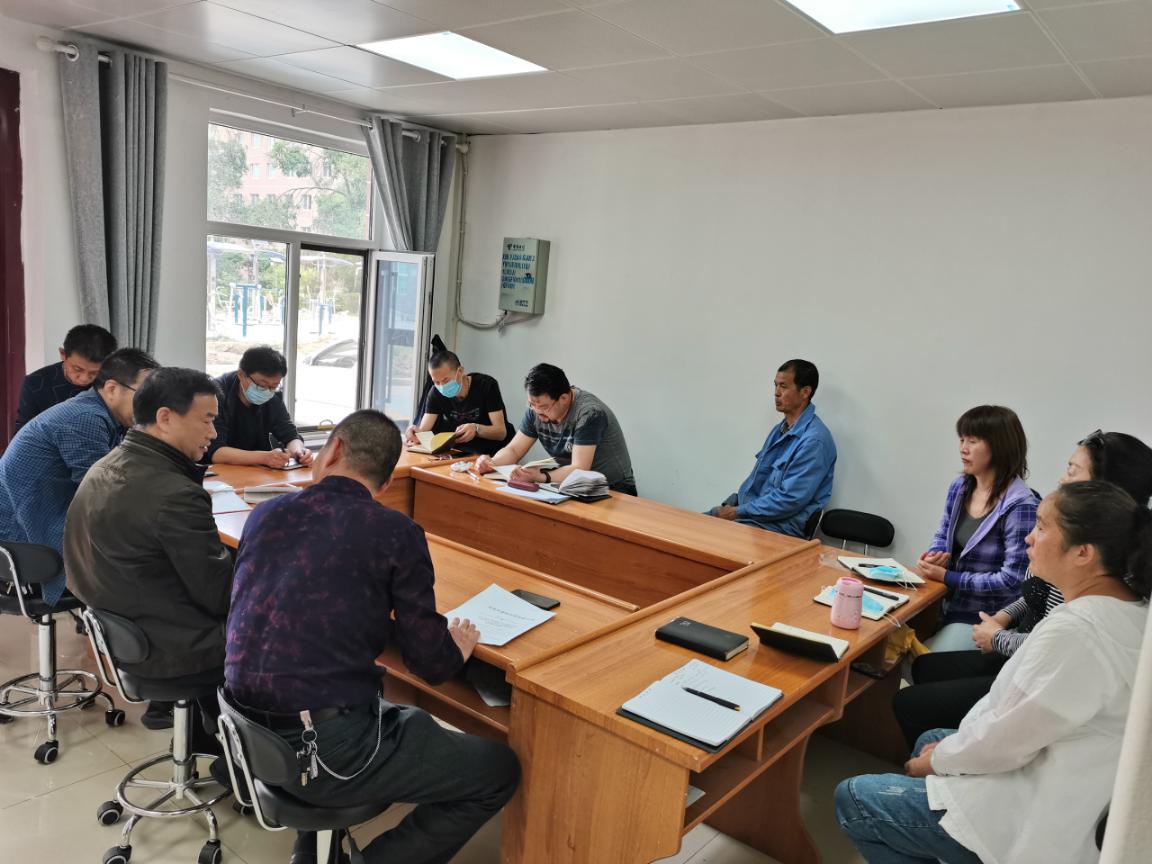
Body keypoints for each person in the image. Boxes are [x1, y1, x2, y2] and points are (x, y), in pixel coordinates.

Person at [225, 409, 520, 864]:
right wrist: (454, 649)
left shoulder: (266, 513)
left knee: (387, 708)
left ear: (333, 450)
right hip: (321, 745)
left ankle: (315, 845)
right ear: (384, 485)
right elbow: (430, 665)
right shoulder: (395, 532)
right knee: (498, 770)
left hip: (243, 725)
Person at [837, 481, 1150, 864]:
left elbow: (1008, 740)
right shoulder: (1133, 609)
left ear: (1083, 553)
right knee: (932, 739)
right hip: (1066, 768)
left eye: (1041, 527)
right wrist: (946, 752)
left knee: (854, 798)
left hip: (1038, 807)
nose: (1029, 538)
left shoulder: (1076, 631)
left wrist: (939, 760)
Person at [893, 429, 1152, 748]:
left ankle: (933, 756)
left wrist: (996, 635)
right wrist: (1002, 618)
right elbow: (1034, 591)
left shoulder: (1088, 558)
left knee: (915, 702)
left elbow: (1050, 639)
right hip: (1016, 643)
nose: (1061, 480)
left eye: (1072, 471)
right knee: (924, 667)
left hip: (1028, 660)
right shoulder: (963, 488)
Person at [65, 368, 233, 741]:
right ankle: (250, 757)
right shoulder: (175, 493)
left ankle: (205, 737)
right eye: (206, 420)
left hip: (122, 632)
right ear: (165, 417)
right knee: (279, 625)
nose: (213, 433)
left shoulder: (105, 465)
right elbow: (220, 595)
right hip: (167, 646)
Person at [0, 349, 158, 607]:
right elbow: (105, 495)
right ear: (112, 388)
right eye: (145, 396)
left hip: (35, 529)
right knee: (158, 561)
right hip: (28, 543)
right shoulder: (86, 418)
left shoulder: (101, 415)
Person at [915, 405, 1039, 652]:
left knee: (922, 658)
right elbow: (943, 533)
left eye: (972, 441)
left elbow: (1012, 580)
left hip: (988, 615)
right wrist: (934, 556)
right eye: (961, 439)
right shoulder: (960, 487)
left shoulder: (1022, 505)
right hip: (946, 600)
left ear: (999, 446)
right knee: (895, 640)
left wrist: (949, 577)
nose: (963, 448)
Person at [707, 359, 836, 537]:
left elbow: (789, 500)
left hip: (779, 528)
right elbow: (756, 482)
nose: (776, 393)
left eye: (783, 386)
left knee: (707, 537)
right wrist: (732, 504)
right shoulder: (780, 430)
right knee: (690, 524)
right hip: (752, 517)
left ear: (805, 392)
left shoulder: (814, 441)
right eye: (775, 385)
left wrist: (737, 512)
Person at [474, 363, 637, 495]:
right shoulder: (536, 410)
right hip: (568, 484)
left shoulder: (589, 413)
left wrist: (541, 476)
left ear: (564, 398)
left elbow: (580, 468)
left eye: (543, 407)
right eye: (531, 404)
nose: (537, 412)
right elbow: (514, 450)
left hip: (612, 488)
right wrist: (492, 463)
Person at [206, 345, 313, 468]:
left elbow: (290, 435)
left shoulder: (272, 398)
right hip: (219, 471)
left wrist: (299, 452)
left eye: (274, 386)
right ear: (241, 374)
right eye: (262, 385)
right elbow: (216, 452)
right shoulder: (215, 394)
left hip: (259, 470)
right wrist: (265, 458)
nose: (267, 391)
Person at [404, 350, 514, 456]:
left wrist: (476, 429)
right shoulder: (435, 393)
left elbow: (501, 432)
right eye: (436, 382)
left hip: (496, 449)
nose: (442, 386)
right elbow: (424, 429)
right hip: (465, 449)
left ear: (460, 371)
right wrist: (415, 433)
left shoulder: (486, 385)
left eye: (446, 380)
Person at [14, 324, 117, 432]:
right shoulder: (35, 384)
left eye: (94, 372)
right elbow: (24, 432)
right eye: (77, 369)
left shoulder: (113, 382)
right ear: (63, 354)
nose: (84, 378)